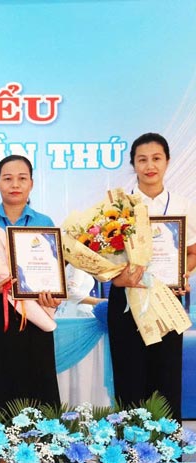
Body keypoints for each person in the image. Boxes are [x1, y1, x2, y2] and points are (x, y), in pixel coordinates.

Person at [106, 133, 195, 417]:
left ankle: (166, 453)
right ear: (133, 164)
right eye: (141, 160)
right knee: (129, 380)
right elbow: (103, 259)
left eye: (156, 158)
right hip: (126, 301)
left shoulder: (183, 205)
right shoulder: (118, 207)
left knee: (166, 379)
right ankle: (127, 454)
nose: (149, 166)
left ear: (167, 161)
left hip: (167, 300)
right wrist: (119, 279)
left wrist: (184, 272)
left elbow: (193, 252)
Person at [0, 155, 63, 411]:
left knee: (35, 386)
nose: (15, 184)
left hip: (34, 315)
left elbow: (53, 273)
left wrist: (52, 295)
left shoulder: (45, 223)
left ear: (31, 183)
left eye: (22, 178)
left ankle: (40, 445)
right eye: (7, 179)